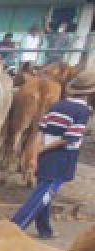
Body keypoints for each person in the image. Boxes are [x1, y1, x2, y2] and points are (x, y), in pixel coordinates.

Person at [12, 70, 93, 240]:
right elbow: (69, 138)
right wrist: (43, 150)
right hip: (62, 158)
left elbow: (40, 131)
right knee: (42, 195)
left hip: (45, 155)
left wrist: (35, 155)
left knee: (45, 191)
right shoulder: (83, 111)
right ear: (89, 93)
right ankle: (16, 226)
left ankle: (45, 229)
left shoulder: (57, 106)